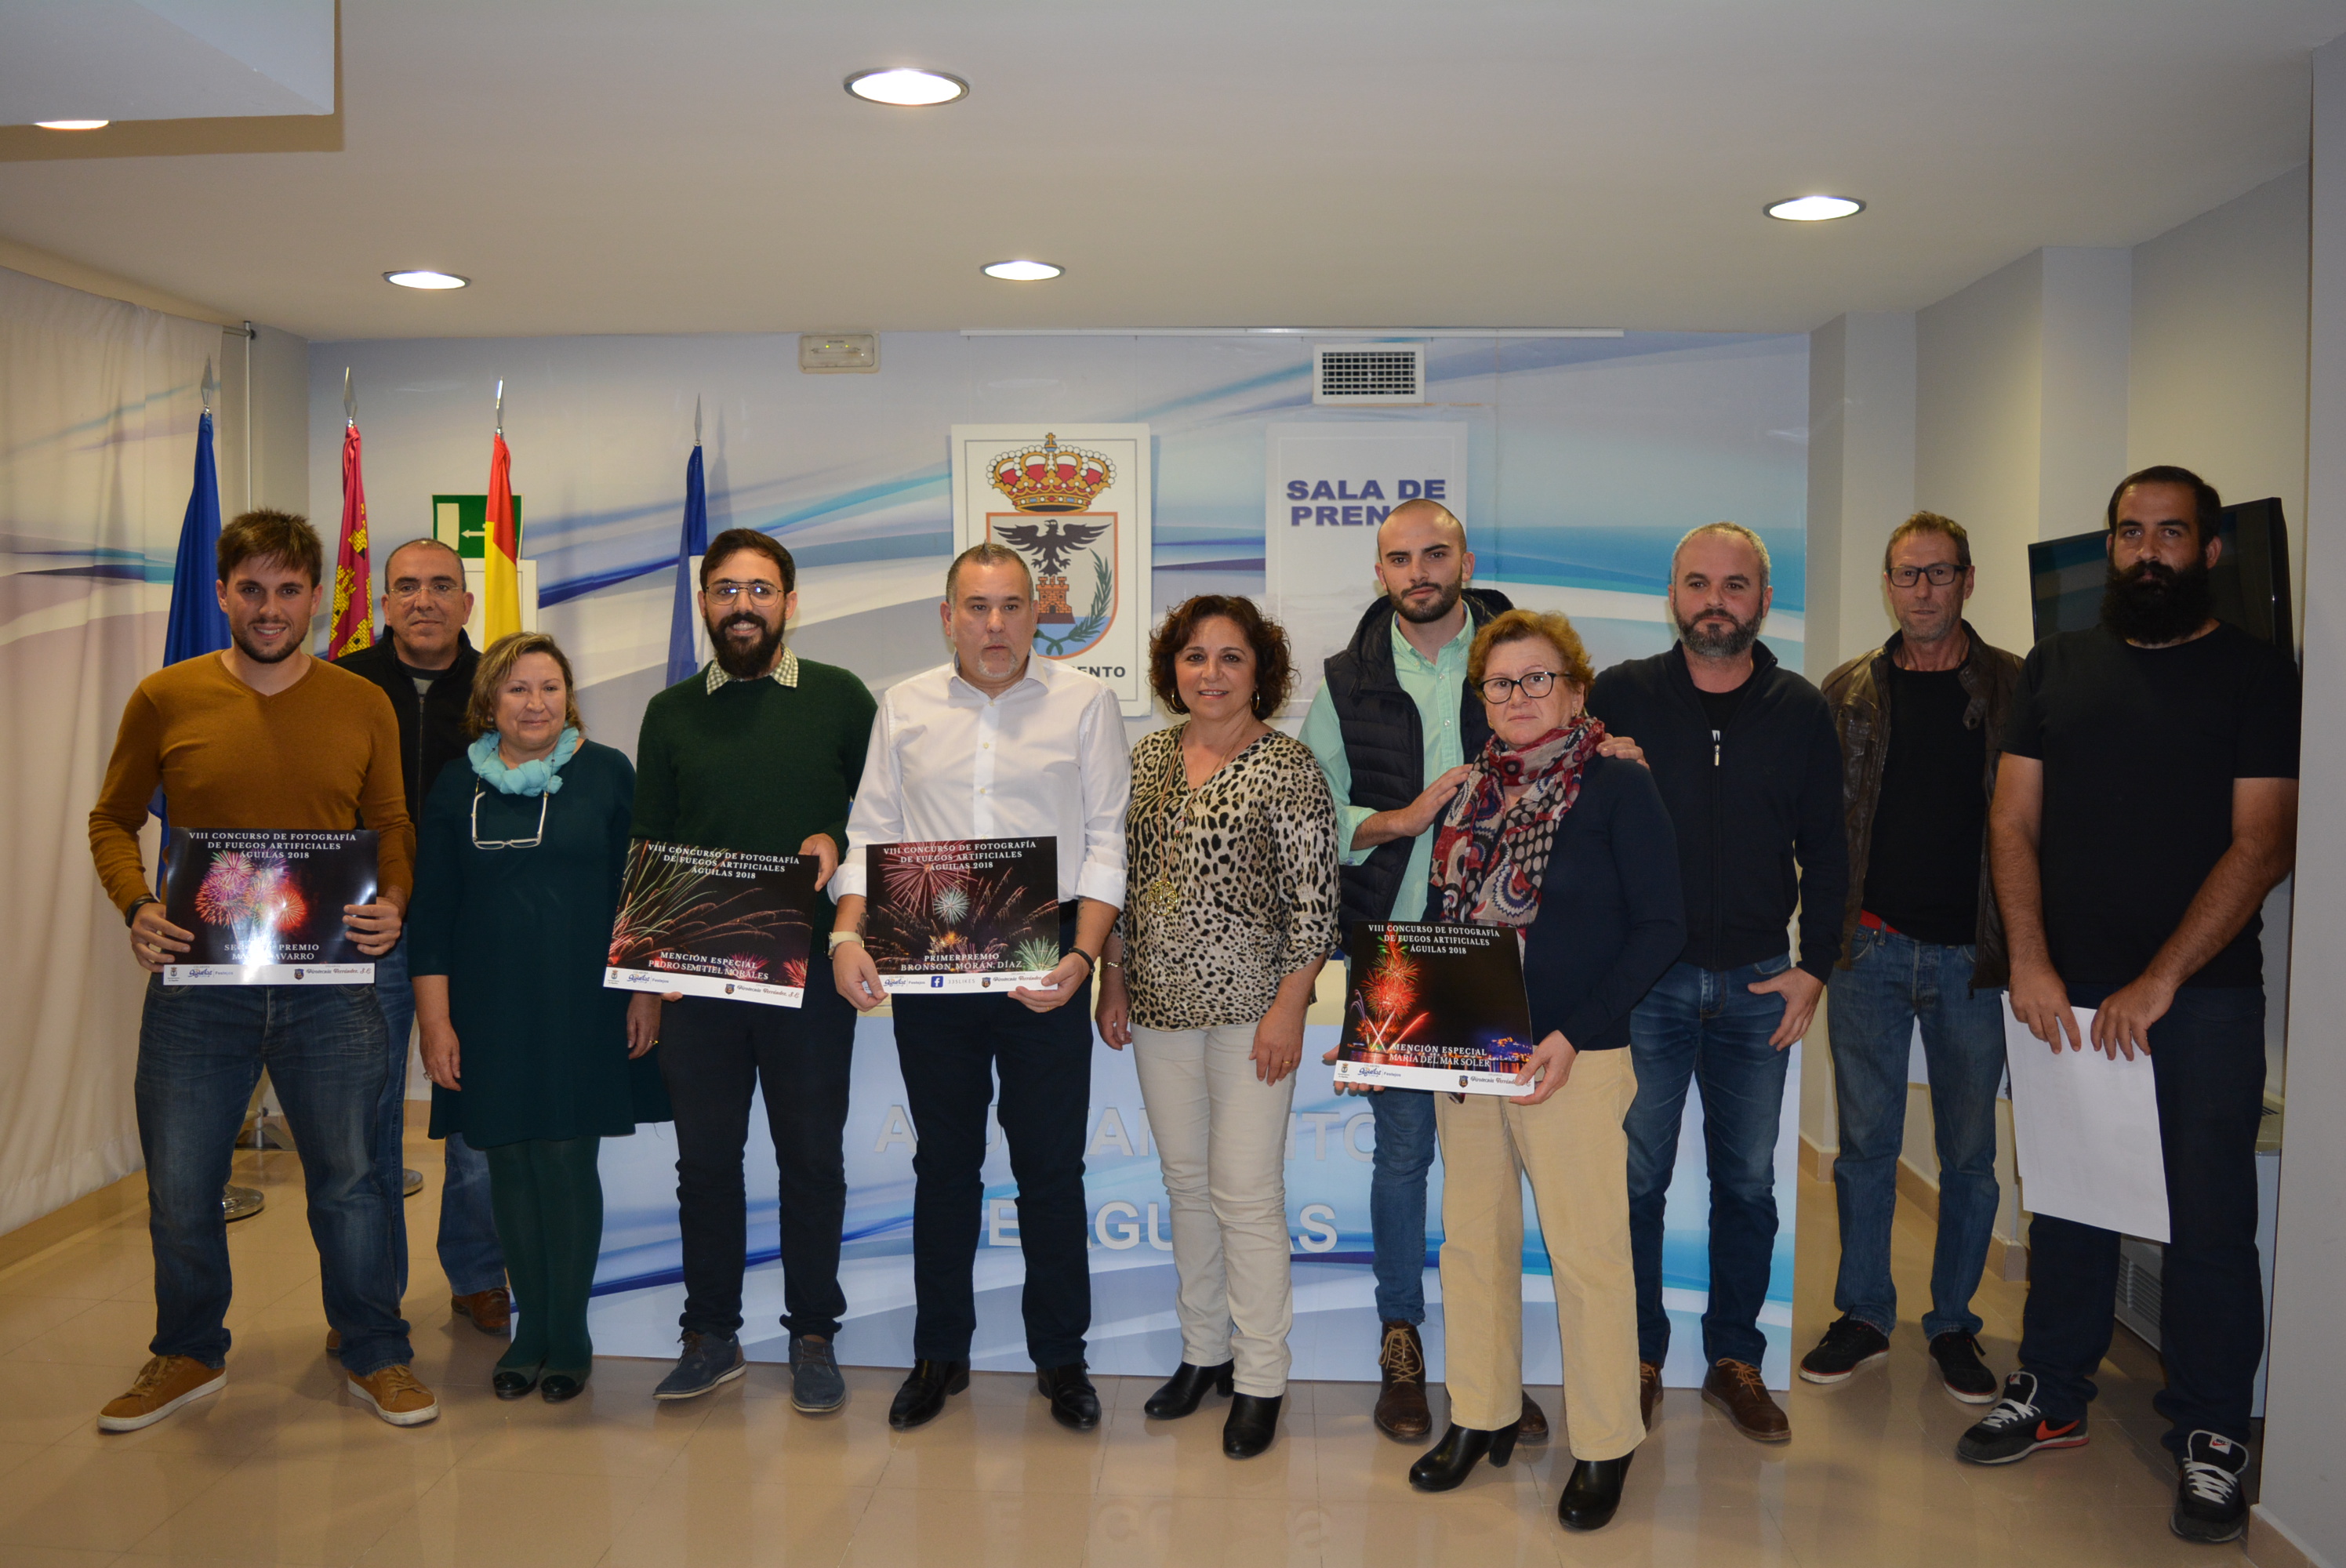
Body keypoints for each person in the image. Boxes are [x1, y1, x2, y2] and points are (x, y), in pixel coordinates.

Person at [1968, 466, 2299, 1548]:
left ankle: (2211, 1434)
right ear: (2109, 549)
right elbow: (2012, 825)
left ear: (2208, 552)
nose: (2147, 551)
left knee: (2210, 1222)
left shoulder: (2257, 676)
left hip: (2199, 1002)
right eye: (2128, 533)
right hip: (2063, 993)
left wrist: (2160, 980)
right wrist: (2032, 962)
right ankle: (2054, 1388)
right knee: (2067, 1198)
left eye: (2171, 533)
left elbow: (2265, 841)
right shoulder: (2058, 669)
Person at [87, 509, 438, 1430]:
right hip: (199, 993)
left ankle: (375, 1349)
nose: (271, 607)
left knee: (353, 1182)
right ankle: (188, 1350)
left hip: (331, 993)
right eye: (252, 588)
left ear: (317, 598)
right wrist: (139, 905)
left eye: (289, 589)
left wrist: (393, 900)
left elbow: (392, 824)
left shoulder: (363, 702)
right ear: (222, 593)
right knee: (179, 1182)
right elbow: (111, 818)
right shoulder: (165, 697)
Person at [832, 540, 1131, 1434]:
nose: (994, 625)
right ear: (947, 614)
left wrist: (1080, 960)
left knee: (1050, 1172)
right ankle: (939, 1353)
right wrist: (847, 931)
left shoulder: (1086, 703)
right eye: (976, 607)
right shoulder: (905, 706)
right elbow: (870, 833)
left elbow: (1108, 841)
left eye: (1010, 606)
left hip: (1048, 971)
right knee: (944, 1170)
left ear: (1037, 612)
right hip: (931, 978)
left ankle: (1061, 1359)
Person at [1405, 609, 1684, 1534]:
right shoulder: (1466, 791)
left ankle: (1603, 1441)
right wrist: (1406, 1031)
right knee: (1471, 1242)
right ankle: (1479, 1414)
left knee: (1588, 1254)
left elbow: (1660, 927)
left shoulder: (1616, 783)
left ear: (1573, 689)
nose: (1517, 697)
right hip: (1473, 1050)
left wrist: (1573, 1031)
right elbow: (1445, 925)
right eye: (1499, 682)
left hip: (1576, 1052)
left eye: (1536, 680)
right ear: (1479, 696)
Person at [1586, 521, 1847, 1444]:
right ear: (1673, 595)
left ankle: (1734, 1354)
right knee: (1637, 1178)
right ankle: (1640, 1354)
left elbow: (1827, 847)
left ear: (1763, 601)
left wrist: (1815, 963)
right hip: (1646, 985)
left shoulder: (1801, 708)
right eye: (1697, 583)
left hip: (1758, 985)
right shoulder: (1617, 696)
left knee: (1746, 1182)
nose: (1714, 600)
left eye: (1734, 585)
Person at [1298, 497, 1549, 1446]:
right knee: (1404, 1160)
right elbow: (1318, 810)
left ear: (1466, 557)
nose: (1418, 571)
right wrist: (1400, 821)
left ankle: (1486, 1363)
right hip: (1401, 949)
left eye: (1434, 552)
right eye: (1398, 557)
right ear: (1380, 571)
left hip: (1503, 948)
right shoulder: (1345, 677)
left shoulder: (1522, 654)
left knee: (1489, 1172)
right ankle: (1399, 1342)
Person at [630, 528, 878, 1411]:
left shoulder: (841, 698)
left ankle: (813, 1332)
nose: (744, 604)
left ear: (789, 601)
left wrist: (839, 839)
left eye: (761, 589)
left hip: (807, 971)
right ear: (704, 601)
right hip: (696, 972)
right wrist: (648, 980)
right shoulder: (669, 713)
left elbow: (886, 815)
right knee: (706, 1161)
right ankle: (711, 1332)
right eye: (726, 588)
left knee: (810, 1157)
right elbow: (647, 846)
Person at [1095, 596, 1339, 1461]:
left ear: (1259, 672)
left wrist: (1288, 1007)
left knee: (1244, 1191)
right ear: (1172, 670)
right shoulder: (1149, 755)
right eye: (1195, 656)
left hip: (1252, 1016)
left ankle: (1262, 1376)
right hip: (1158, 1008)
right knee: (1187, 1184)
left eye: (1230, 657)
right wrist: (1111, 975)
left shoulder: (1290, 767)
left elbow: (1315, 906)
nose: (1210, 672)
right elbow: (1122, 877)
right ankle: (1204, 1352)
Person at [410, 632, 667, 1401]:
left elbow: (642, 892)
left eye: (550, 686)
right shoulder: (458, 786)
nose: (535, 703)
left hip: (583, 1001)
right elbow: (433, 912)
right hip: (486, 1008)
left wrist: (645, 988)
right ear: (490, 699)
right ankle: (530, 1329)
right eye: (518, 688)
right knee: (508, 1160)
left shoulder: (607, 772)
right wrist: (435, 1022)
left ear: (569, 695)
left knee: (564, 1158)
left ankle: (571, 1332)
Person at [1807, 513, 2020, 1402]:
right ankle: (1863, 1312)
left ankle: (1953, 1323)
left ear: (1968, 580)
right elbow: (1819, 829)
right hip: (1872, 949)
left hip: (1977, 957)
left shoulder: (2016, 688)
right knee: (1865, 1146)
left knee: (1970, 1153)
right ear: (1887, 585)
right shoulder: (1846, 690)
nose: (1922, 591)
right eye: (1906, 575)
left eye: (1938, 574)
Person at [333, 536, 509, 1347]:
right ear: (384, 603)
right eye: (407, 587)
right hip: (362, 931)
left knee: (473, 1120)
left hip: (471, 935)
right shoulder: (340, 687)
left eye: (443, 585)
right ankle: (368, 1299)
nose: (425, 600)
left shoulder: (502, 688)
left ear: (468, 603)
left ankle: (477, 1276)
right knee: (362, 1122)